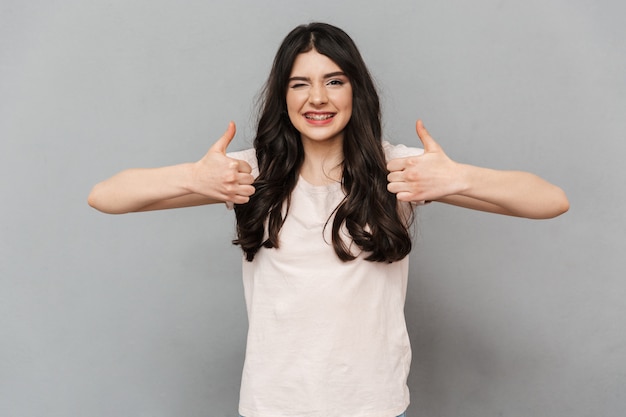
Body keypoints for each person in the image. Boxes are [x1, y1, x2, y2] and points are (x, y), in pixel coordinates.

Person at [88, 22, 569, 417]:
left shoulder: (397, 171)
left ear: (355, 89)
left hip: (371, 403)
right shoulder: (249, 175)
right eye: (300, 83)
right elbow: (106, 196)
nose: (317, 97)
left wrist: (459, 177)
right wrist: (193, 175)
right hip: (272, 403)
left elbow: (550, 200)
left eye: (334, 80)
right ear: (283, 96)